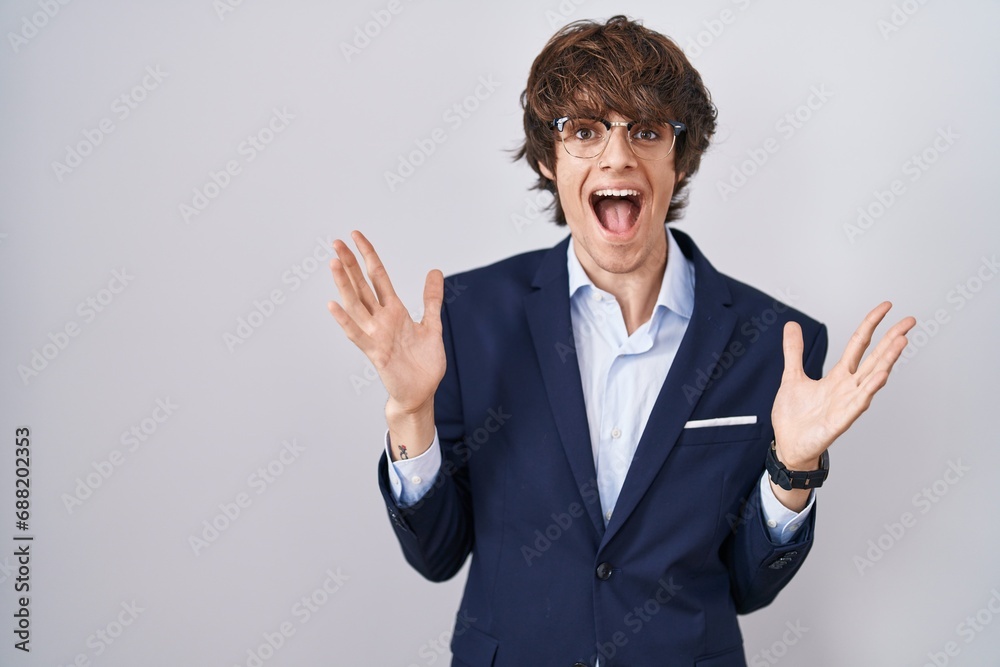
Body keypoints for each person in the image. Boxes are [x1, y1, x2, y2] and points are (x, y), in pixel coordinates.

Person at [328, 16, 914, 667]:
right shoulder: (469, 319)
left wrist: (793, 468)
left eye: (647, 130)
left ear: (679, 159)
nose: (617, 157)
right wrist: (411, 411)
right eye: (584, 131)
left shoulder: (775, 343)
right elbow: (436, 554)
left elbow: (749, 585)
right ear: (548, 160)